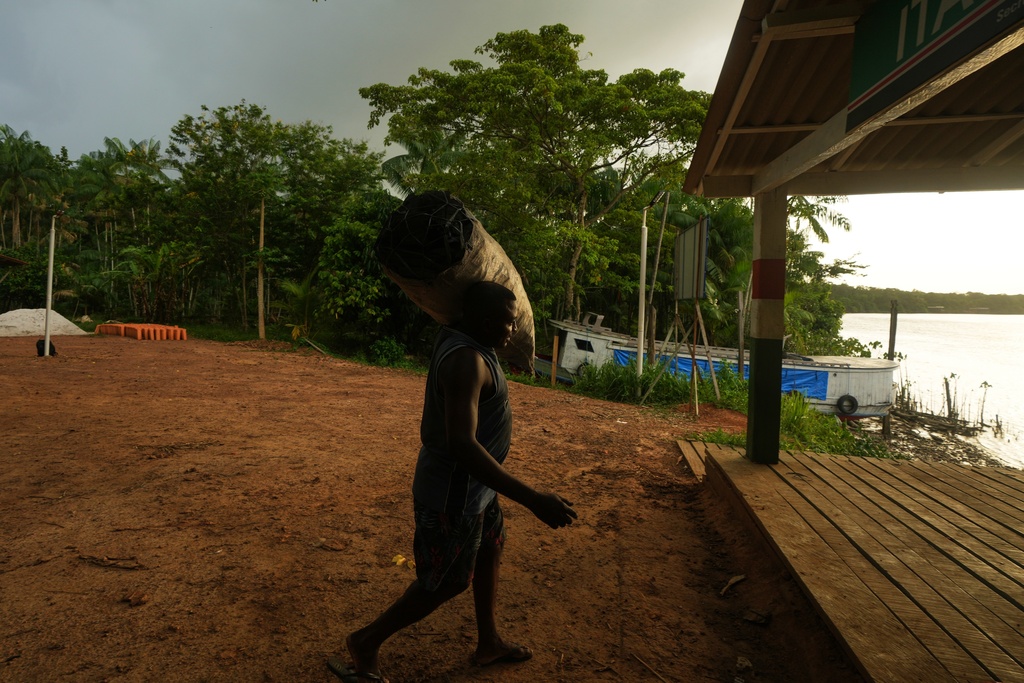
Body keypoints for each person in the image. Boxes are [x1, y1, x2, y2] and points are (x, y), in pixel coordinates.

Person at [328, 281, 577, 683]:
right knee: (444, 581)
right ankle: (366, 641)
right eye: (507, 324)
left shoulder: (467, 338)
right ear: (481, 321)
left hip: (478, 489)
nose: (512, 331)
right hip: (453, 493)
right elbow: (462, 444)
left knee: (490, 549)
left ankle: (489, 641)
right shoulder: (467, 361)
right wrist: (533, 498)